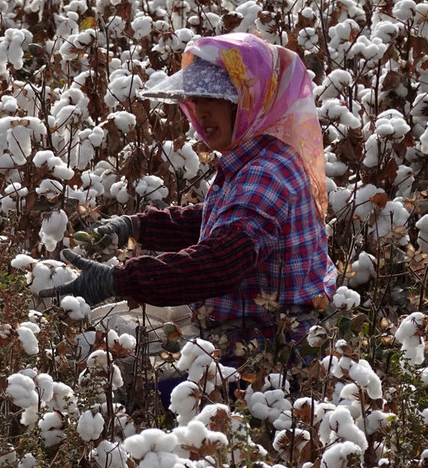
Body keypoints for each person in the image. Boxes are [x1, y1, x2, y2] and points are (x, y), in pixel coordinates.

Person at [40, 32, 337, 352]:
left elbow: (220, 262)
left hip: (262, 346)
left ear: (248, 102)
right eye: (196, 99)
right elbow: (220, 220)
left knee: (103, 349)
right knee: (109, 324)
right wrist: (136, 227)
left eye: (215, 98)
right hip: (241, 323)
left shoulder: (265, 173)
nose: (202, 111)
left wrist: (118, 281)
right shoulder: (258, 156)